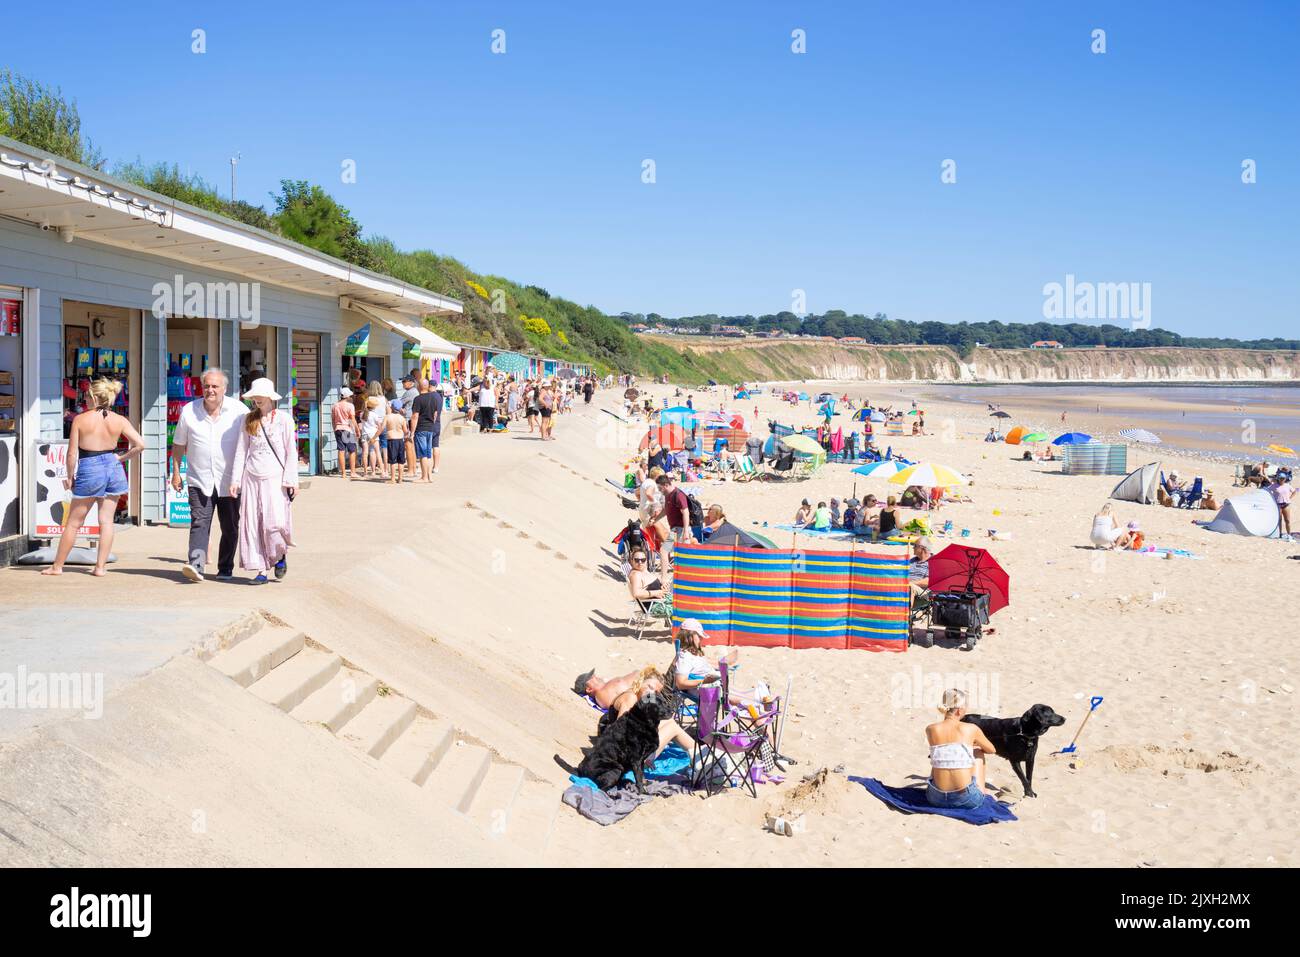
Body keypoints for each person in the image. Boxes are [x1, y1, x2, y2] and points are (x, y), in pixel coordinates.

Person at [42, 379, 146, 577]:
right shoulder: (119, 420)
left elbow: (72, 454)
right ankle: (100, 567)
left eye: (87, 396)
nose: (85, 400)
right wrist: (121, 457)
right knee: (106, 521)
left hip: (90, 468)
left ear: (94, 398)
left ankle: (57, 566)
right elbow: (140, 444)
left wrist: (70, 476)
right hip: (113, 467)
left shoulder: (80, 420)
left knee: (74, 522)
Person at [171, 368, 246, 582]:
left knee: (229, 526)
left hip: (230, 480)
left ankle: (225, 568)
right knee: (199, 523)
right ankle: (197, 565)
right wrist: (177, 473)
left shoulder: (239, 411)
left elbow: (248, 443)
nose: (210, 390)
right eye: (206, 386)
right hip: (199, 478)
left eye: (215, 386)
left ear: (225, 389)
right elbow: (179, 445)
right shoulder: (189, 411)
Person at [229, 379, 298, 585]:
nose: (257, 400)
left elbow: (290, 451)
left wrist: (291, 480)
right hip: (251, 477)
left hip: (275, 479)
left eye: (260, 396)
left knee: (273, 523)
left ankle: (279, 554)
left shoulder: (284, 419)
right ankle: (261, 570)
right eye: (254, 396)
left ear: (270, 397)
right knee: (253, 524)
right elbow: (241, 450)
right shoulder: (247, 420)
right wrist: (235, 480)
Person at [925, 689, 998, 808]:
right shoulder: (971, 728)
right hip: (966, 799)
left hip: (935, 798)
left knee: (939, 753)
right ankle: (982, 790)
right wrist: (972, 745)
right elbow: (992, 750)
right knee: (978, 752)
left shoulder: (931, 729)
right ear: (959, 710)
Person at [409, 378, 443, 481]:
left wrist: (412, 432)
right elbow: (436, 413)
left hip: (421, 428)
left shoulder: (418, 399)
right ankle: (429, 476)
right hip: (431, 428)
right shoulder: (434, 397)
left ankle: (424, 477)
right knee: (428, 454)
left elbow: (415, 416)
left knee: (423, 454)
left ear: (419, 387)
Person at [654, 473, 692, 547]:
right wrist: (655, 519)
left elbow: (686, 513)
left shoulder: (678, 495)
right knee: (665, 551)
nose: (659, 491)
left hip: (681, 529)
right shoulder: (667, 495)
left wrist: (686, 531)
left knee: (670, 551)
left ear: (666, 485)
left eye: (660, 488)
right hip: (674, 530)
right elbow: (665, 510)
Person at [332, 386, 360, 479]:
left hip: (337, 429)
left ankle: (343, 473)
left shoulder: (335, 405)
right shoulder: (350, 406)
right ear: (347, 396)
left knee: (341, 450)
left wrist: (334, 428)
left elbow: (333, 419)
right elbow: (352, 419)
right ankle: (352, 472)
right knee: (352, 450)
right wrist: (357, 429)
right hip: (347, 429)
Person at [360, 395, 386, 478]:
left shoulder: (362, 414)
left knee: (365, 452)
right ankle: (381, 471)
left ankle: (365, 472)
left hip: (364, 434)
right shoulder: (374, 415)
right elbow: (379, 426)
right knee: (377, 452)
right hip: (373, 434)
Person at [383, 400, 408, 484]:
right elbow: (405, 431)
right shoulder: (402, 418)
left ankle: (393, 479)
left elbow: (381, 428)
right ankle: (400, 478)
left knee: (392, 460)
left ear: (392, 407)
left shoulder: (388, 417)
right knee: (401, 460)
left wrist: (375, 436)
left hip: (391, 439)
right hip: (400, 439)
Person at [1267, 472, 1293, 537]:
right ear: (1278, 478)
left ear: (1285, 479)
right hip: (1278, 505)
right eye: (1281, 478)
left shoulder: (1287, 485)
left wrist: (1290, 498)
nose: (1282, 479)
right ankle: (1280, 534)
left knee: (1287, 520)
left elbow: (1294, 491)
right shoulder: (1274, 485)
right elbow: (1267, 491)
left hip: (1286, 505)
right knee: (1279, 521)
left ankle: (1289, 534)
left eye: (1283, 478)